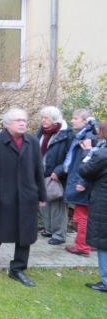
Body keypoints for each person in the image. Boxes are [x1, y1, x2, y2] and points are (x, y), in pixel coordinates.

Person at [0, 108, 46, 287]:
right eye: (18, 120)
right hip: (3, 196)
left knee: (26, 232)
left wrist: (42, 194)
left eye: (24, 120)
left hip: (27, 196)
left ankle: (17, 269)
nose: (23, 123)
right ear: (7, 123)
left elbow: (38, 170)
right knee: (1, 229)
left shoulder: (32, 142)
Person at [37, 106, 73, 245]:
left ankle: (59, 234)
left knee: (57, 204)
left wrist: (59, 171)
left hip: (57, 174)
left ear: (54, 119)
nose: (43, 120)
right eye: (42, 117)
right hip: (42, 173)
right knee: (44, 204)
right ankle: (49, 229)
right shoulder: (42, 131)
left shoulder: (66, 134)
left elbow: (71, 156)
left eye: (46, 118)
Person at [63, 109, 97, 256]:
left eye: (76, 118)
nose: (72, 120)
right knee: (83, 215)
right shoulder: (82, 135)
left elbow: (89, 161)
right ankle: (88, 243)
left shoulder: (88, 137)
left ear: (85, 121)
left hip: (83, 183)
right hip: (80, 179)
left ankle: (83, 247)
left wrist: (82, 181)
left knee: (81, 216)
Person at [80, 121, 107, 293]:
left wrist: (88, 151)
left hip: (103, 203)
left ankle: (106, 281)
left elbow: (85, 170)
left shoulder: (102, 154)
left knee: (104, 243)